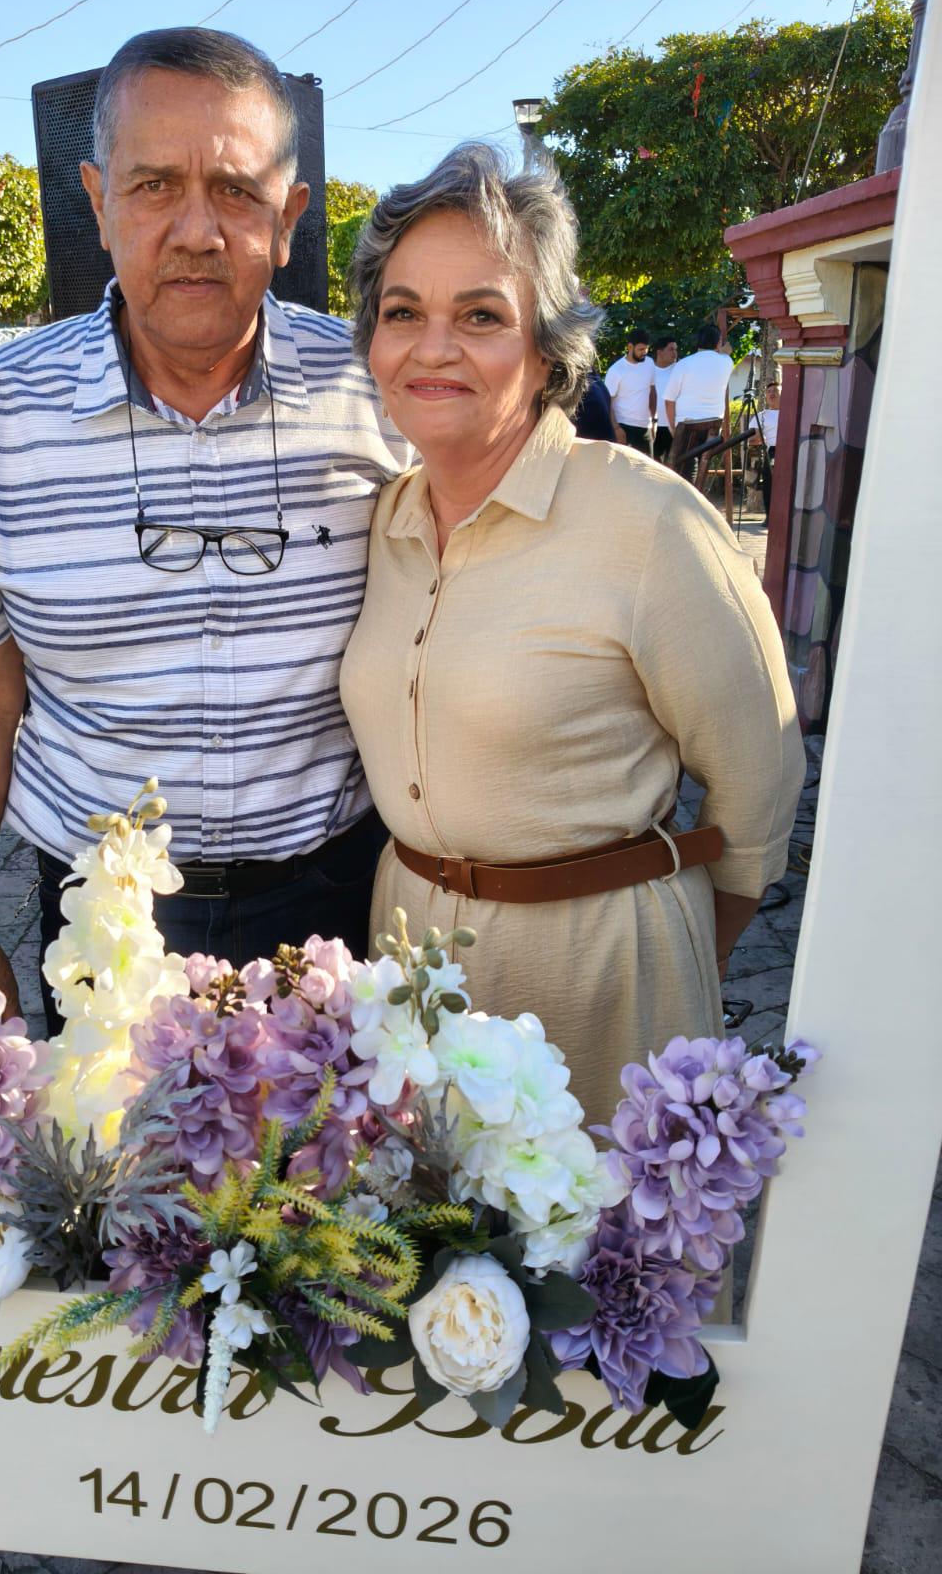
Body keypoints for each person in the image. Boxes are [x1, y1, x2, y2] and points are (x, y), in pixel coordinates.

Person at [0, 28, 412, 1035]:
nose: (196, 231)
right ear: (97, 202)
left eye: (236, 190)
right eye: (154, 186)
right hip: (99, 920)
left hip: (332, 909)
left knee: (327, 1145)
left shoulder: (379, 393)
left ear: (290, 216)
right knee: (111, 1143)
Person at [340, 144, 804, 1129]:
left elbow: (758, 782)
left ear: (547, 350)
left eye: (481, 316)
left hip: (600, 978)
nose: (432, 347)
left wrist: (681, 955)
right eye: (403, 313)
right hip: (410, 965)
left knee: (600, 1226)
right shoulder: (381, 523)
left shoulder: (649, 523)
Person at [665, 324, 735, 490]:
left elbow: (669, 400)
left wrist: (672, 427)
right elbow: (725, 353)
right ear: (718, 342)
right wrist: (722, 349)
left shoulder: (683, 364)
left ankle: (686, 498)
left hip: (687, 424)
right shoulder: (727, 362)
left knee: (684, 469)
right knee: (701, 466)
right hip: (713, 424)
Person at [604, 329, 655, 454]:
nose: (644, 352)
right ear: (630, 347)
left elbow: (652, 392)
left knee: (647, 466)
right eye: (641, 349)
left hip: (645, 427)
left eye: (646, 349)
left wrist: (654, 421)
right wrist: (616, 428)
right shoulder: (616, 370)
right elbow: (607, 401)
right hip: (623, 426)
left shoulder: (650, 363)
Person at [749, 379, 781, 517]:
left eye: (775, 391)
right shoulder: (761, 416)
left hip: (790, 450)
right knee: (769, 482)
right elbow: (751, 440)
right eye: (769, 391)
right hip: (772, 450)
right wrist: (760, 438)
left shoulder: (791, 412)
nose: (772, 393)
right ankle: (770, 517)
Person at [650, 335, 678, 465]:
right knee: (653, 466)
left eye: (676, 349)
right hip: (653, 426)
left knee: (675, 466)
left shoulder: (679, 369)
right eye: (671, 349)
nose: (675, 353)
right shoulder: (648, 369)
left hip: (674, 426)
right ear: (659, 352)